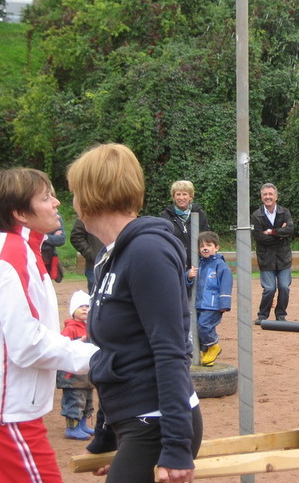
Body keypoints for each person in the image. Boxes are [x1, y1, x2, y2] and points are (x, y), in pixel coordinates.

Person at [67, 143, 202, 483]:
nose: (72, 202)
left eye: (74, 192)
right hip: (133, 420)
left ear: (91, 195)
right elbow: (113, 354)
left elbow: (171, 349)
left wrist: (176, 446)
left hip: (157, 424)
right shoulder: (112, 254)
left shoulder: (147, 251)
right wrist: (105, 437)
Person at [0, 167, 98, 483]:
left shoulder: (23, 249)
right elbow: (27, 344)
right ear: (20, 213)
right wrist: (95, 356)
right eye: (45, 197)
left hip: (13, 410)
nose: (56, 203)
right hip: (9, 415)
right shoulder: (12, 254)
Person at [251, 183, 295, 324]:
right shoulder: (256, 216)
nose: (268, 197)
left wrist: (271, 232)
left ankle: (281, 315)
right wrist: (280, 235)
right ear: (261, 197)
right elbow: (259, 237)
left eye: (270, 194)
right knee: (269, 289)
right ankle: (262, 315)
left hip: (283, 258)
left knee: (284, 287)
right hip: (266, 259)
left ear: (276, 196)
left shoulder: (285, 212)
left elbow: (290, 230)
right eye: (265, 194)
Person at [186, 231, 233, 366]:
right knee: (196, 327)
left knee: (204, 326)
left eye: (209, 245)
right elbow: (190, 283)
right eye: (202, 246)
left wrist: (224, 303)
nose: (205, 248)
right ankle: (206, 353)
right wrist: (188, 276)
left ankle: (213, 346)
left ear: (216, 247)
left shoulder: (220, 265)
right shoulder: (199, 264)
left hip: (213, 305)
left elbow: (226, 285)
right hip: (200, 303)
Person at [58, 289, 96, 440]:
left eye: (87, 306)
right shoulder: (70, 328)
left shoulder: (91, 327)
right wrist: (75, 343)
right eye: (80, 307)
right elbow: (62, 347)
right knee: (74, 401)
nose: (84, 309)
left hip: (86, 374)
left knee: (87, 401)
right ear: (73, 311)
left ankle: (82, 424)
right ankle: (72, 428)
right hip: (72, 375)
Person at [159, 180, 211, 272]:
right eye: (178, 194)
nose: (181, 197)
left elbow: (207, 237)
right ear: (173, 197)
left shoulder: (200, 214)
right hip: (175, 263)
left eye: (184, 194)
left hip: (197, 264)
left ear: (190, 196)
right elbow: (162, 241)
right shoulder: (165, 216)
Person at [71, 217, 105, 293]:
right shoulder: (87, 213)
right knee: (95, 295)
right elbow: (76, 237)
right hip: (94, 266)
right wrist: (92, 254)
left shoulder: (120, 213)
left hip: (118, 265)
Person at [41, 212, 65, 282]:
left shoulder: (56, 214)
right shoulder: (31, 214)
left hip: (49, 258)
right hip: (34, 258)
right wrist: (52, 237)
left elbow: (61, 239)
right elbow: (30, 237)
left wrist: (43, 237)